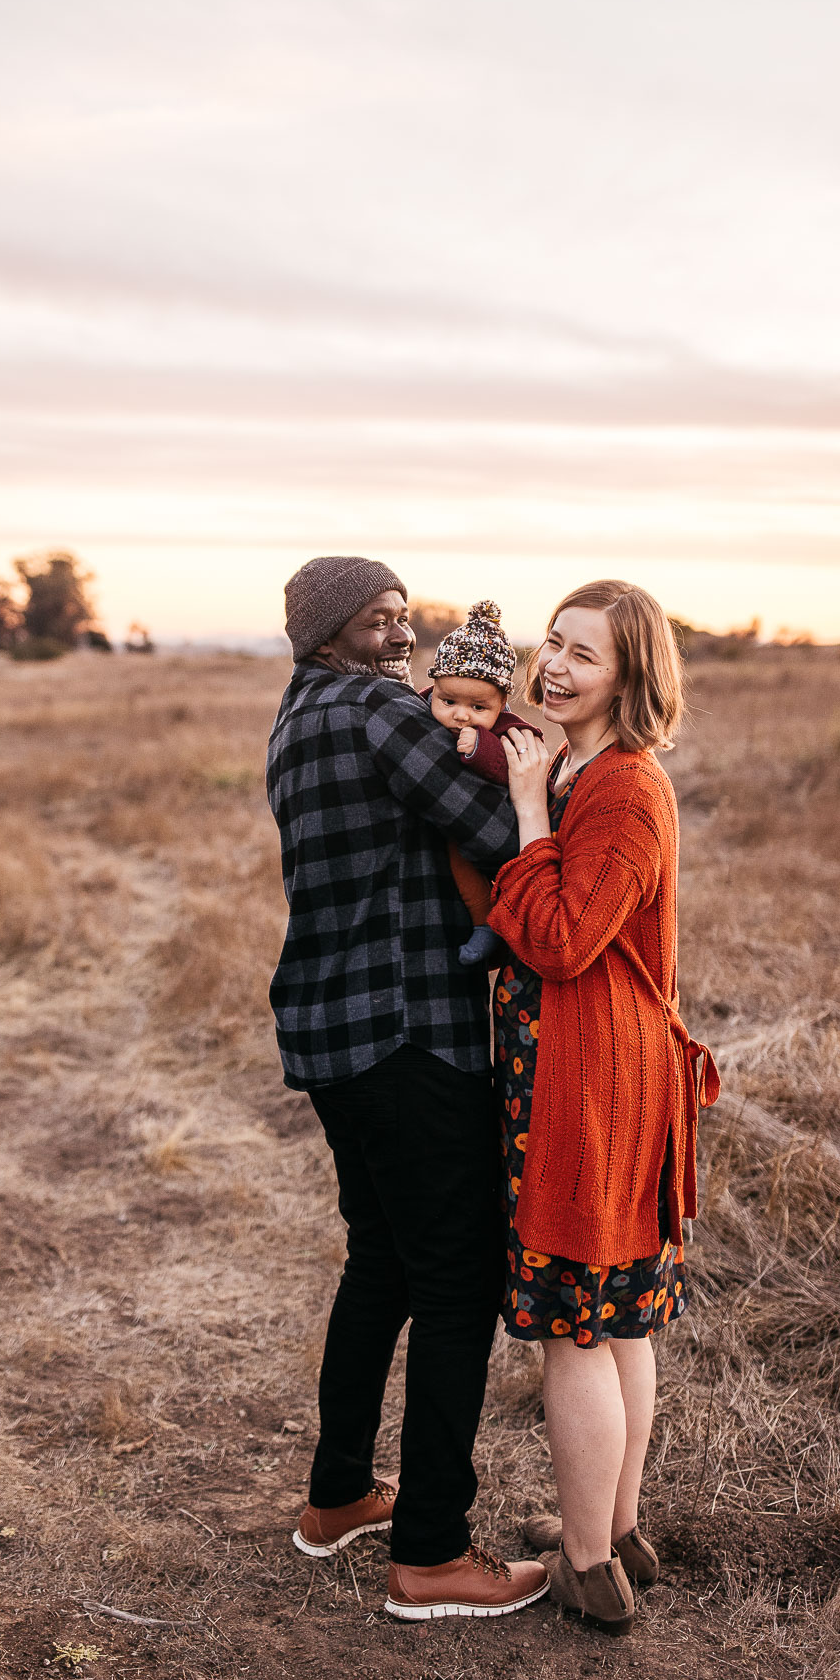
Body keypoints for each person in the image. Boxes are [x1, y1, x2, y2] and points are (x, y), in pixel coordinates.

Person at [267, 555, 549, 1622]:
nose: (399, 630)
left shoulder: (297, 714)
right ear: (327, 630)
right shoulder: (384, 710)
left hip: (330, 1033)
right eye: (375, 616)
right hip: (406, 1032)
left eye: (402, 612)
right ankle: (431, 1549)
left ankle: (340, 1492)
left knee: (382, 1257)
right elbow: (488, 833)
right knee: (456, 1279)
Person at [486, 580, 719, 1635]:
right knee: (617, 1314)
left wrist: (531, 815)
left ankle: (585, 1561)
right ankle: (618, 1529)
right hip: (587, 1070)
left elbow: (565, 938)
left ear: (632, 675)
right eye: (553, 641)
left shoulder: (623, 785)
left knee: (579, 1327)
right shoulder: (576, 761)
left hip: (594, 1082)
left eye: (585, 654)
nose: (557, 665)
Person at [420, 599, 543, 968]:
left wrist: (482, 749)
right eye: (449, 700)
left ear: (501, 704)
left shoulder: (508, 729)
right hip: (439, 817)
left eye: (478, 708)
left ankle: (486, 924)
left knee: (466, 867)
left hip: (491, 822)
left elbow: (517, 766)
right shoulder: (418, 709)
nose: (460, 715)